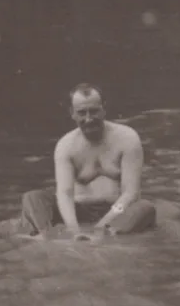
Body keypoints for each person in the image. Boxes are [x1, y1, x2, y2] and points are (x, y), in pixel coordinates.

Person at [19, 83, 157, 238]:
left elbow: (130, 193)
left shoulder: (127, 138)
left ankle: (110, 231)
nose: (88, 119)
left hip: (117, 210)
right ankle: (46, 234)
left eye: (94, 111)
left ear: (104, 109)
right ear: (72, 113)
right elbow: (65, 193)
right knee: (32, 198)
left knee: (145, 207)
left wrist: (101, 226)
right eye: (82, 113)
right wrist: (74, 230)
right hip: (79, 210)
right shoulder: (66, 145)